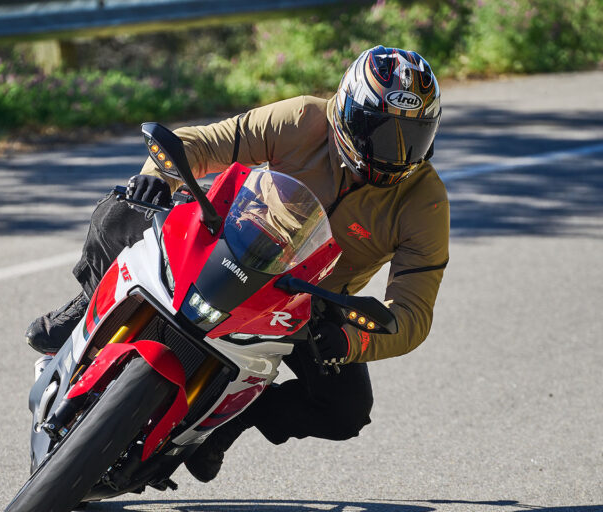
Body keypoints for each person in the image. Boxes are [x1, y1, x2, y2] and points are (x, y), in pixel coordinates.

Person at [26, 46, 449, 483]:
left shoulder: (425, 201)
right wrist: (159, 176)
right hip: (233, 240)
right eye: (378, 133)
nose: (393, 154)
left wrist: (349, 341)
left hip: (307, 302)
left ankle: (228, 424)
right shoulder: (303, 119)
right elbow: (203, 143)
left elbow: (411, 315)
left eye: (410, 137)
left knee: (346, 412)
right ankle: (86, 306)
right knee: (122, 208)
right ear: (344, 111)